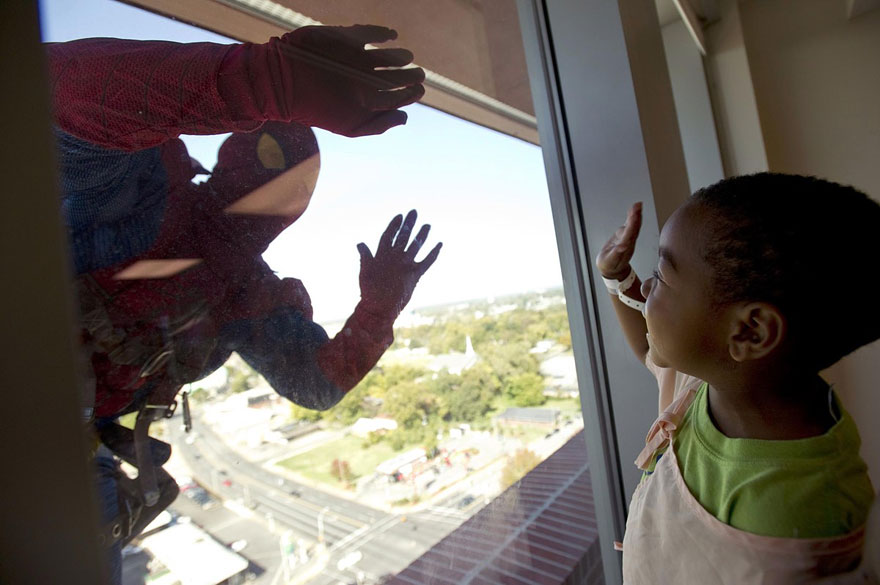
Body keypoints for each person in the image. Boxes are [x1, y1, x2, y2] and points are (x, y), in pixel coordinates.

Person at [47, 24, 440, 583]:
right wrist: (264, 83)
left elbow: (314, 383)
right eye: (277, 160)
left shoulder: (243, 295)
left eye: (297, 181)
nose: (284, 189)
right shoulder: (147, 186)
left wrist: (379, 309)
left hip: (73, 464)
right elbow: (50, 101)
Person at [595, 173, 879, 583]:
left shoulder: (803, 519)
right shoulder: (703, 385)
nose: (647, 290)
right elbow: (648, 346)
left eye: (660, 276)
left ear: (749, 331)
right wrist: (617, 277)